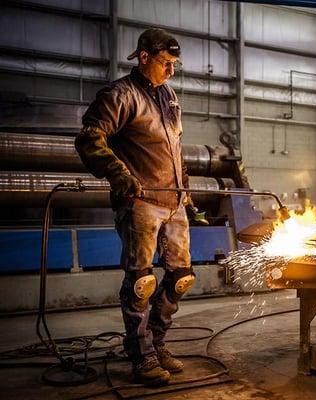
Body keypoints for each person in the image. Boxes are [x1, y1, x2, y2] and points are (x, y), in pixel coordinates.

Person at [75, 28, 203, 386]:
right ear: (144, 57)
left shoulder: (169, 96)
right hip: (141, 203)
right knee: (141, 282)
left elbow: (175, 151)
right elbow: (89, 138)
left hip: (174, 202)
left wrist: (186, 193)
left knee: (181, 279)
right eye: (165, 63)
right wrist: (119, 175)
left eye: (174, 64)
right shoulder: (120, 95)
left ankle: (158, 343)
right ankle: (141, 355)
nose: (171, 71)